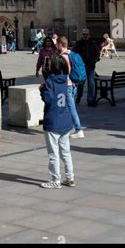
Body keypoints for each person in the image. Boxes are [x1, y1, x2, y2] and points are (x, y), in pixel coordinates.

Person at [39, 53, 75, 188]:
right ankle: (70, 178)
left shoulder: (50, 81)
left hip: (53, 120)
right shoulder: (66, 79)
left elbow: (48, 99)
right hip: (65, 119)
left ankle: (55, 180)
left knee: (53, 153)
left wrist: (42, 90)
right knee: (66, 151)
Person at [57, 36, 84, 139]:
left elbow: (65, 72)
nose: (56, 46)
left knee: (71, 107)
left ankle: (79, 129)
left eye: (57, 44)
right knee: (68, 107)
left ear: (60, 44)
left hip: (67, 85)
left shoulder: (63, 57)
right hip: (73, 84)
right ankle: (69, 127)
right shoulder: (71, 54)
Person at [74, 28, 100, 106]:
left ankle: (90, 100)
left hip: (91, 66)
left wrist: (95, 59)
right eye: (84, 34)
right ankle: (79, 96)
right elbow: (74, 54)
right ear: (82, 35)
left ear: (89, 35)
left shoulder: (93, 44)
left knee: (91, 84)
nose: (85, 36)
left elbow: (97, 53)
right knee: (81, 83)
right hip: (81, 67)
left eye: (87, 34)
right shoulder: (78, 44)